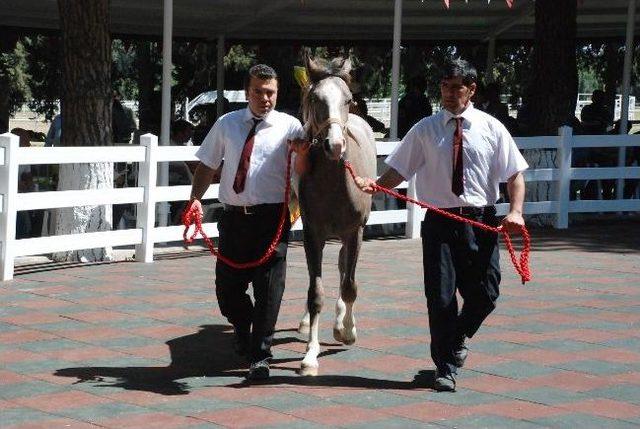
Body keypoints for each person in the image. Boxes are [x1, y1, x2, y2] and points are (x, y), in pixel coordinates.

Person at [355, 59, 528, 392]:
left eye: (457, 87)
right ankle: (445, 366)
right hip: (439, 222)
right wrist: (375, 184)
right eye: (445, 87)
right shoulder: (425, 130)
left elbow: (514, 174)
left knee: (487, 292)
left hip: (481, 220)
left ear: (471, 89)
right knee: (441, 296)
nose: (450, 94)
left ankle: (458, 335)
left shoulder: (491, 127)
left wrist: (516, 211)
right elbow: (399, 171)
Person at [187, 64, 306, 381]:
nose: (265, 98)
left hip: (273, 218)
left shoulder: (292, 127)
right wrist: (196, 198)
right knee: (227, 290)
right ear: (247, 92)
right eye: (258, 91)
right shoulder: (227, 124)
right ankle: (243, 325)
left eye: (271, 92)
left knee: (269, 289)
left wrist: (305, 154)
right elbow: (206, 165)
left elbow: (305, 173)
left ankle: (260, 355)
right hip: (234, 218)